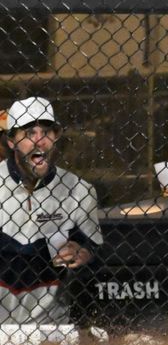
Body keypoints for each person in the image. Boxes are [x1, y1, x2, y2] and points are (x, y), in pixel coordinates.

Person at [0, 97, 103, 324]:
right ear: (11, 142)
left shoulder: (79, 190)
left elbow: (98, 258)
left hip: (52, 326)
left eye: (46, 131)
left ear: (55, 137)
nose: (39, 140)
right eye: (29, 133)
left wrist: (83, 253)